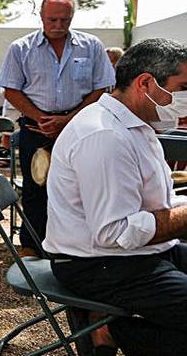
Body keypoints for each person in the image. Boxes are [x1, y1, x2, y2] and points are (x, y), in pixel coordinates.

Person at [44, 38, 187, 356]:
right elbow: (116, 233)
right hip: (97, 265)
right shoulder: (106, 135)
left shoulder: (132, 124)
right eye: (181, 88)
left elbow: (153, 204)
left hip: (137, 254)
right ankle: (112, 330)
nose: (182, 99)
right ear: (146, 83)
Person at [0, 0, 115, 257]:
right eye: (53, 19)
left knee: (78, 187)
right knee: (35, 187)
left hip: (80, 128)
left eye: (65, 19)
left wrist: (69, 119)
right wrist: (41, 117)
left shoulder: (91, 46)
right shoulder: (21, 48)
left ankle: (71, 249)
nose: (59, 24)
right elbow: (12, 90)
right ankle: (31, 246)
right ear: (41, 16)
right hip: (35, 128)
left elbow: (101, 88)